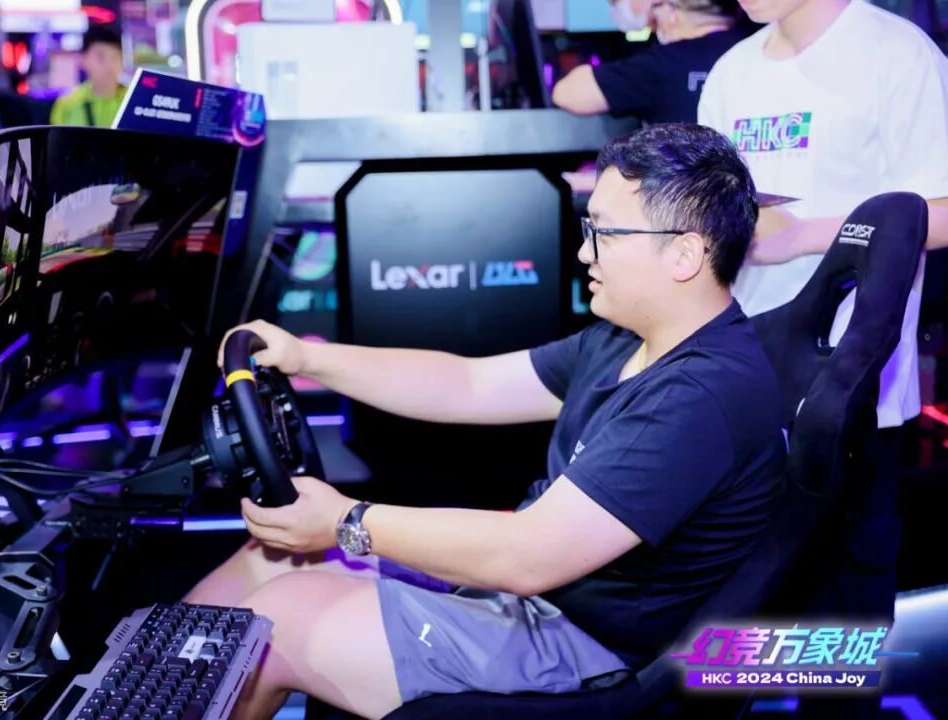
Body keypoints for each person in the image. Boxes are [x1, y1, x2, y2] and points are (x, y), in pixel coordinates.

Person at [183, 124, 787, 720]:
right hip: (533, 594)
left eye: (604, 233)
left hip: (579, 644)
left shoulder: (699, 395)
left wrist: (346, 522)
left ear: (684, 254)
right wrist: (307, 357)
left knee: (280, 622)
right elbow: (465, 383)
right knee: (270, 559)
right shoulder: (627, 339)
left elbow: (530, 556)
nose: (585, 252)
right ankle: (144, 688)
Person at [698, 0, 948, 625]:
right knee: (737, 606)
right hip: (741, 378)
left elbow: (941, 209)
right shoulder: (732, 70)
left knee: (844, 609)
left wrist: (805, 235)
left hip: (851, 383)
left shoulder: (898, 53)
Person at [552, 0, 749, 124]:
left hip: (684, 177)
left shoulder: (662, 63)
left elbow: (568, 94)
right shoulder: (753, 49)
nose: (654, 20)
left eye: (657, 8)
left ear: (672, 11)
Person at [49, 25, 126, 127]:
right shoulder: (67, 104)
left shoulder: (134, 102)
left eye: (115, 57)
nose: (109, 65)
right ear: (83, 59)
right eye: (100, 57)